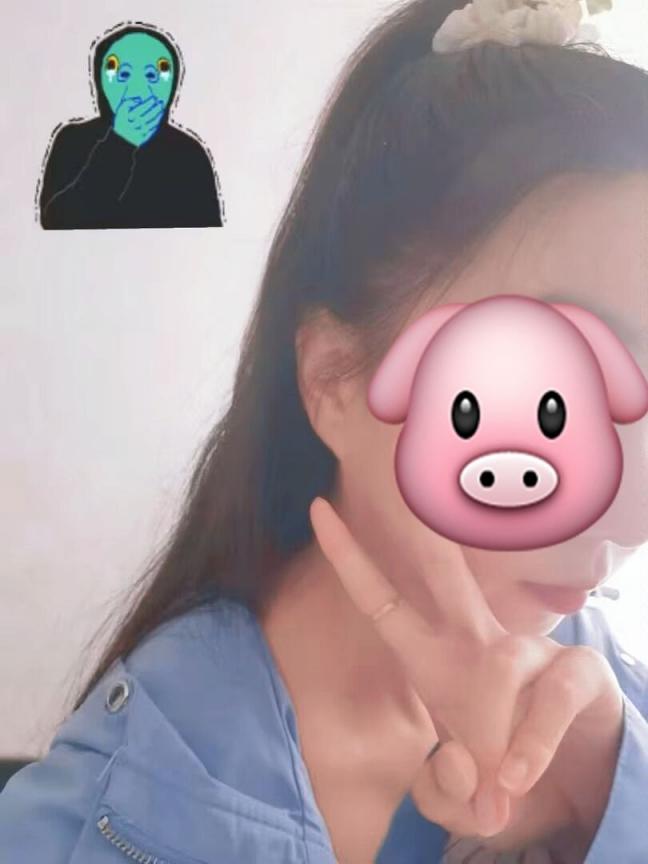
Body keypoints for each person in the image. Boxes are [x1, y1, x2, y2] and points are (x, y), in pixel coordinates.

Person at [3, 0, 648, 861]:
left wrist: (608, 792)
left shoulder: (600, 699)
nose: (633, 514)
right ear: (336, 379)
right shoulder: (114, 817)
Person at [38, 23, 223, 229]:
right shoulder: (72, 141)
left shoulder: (189, 154)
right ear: (99, 81)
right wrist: (120, 143)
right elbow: (56, 222)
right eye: (123, 75)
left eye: (152, 76)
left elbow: (207, 234)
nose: (138, 91)